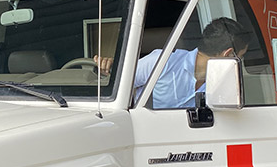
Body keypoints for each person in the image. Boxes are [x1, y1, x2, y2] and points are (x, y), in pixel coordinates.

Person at [96, 17, 248, 109]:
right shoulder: (161, 61)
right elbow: (117, 84)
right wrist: (106, 68)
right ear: (228, 54)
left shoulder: (223, 83)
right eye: (239, 57)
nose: (239, 64)